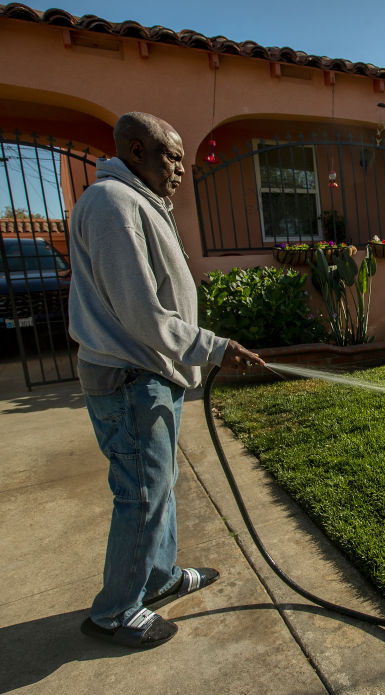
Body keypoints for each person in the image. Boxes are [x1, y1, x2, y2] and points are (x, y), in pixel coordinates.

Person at [69, 112, 264, 649]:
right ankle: (114, 612)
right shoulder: (113, 205)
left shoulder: (140, 201)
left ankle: (159, 578)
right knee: (140, 494)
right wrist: (216, 348)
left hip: (149, 371)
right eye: (172, 156)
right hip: (131, 375)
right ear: (136, 151)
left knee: (158, 485)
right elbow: (142, 314)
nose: (182, 168)